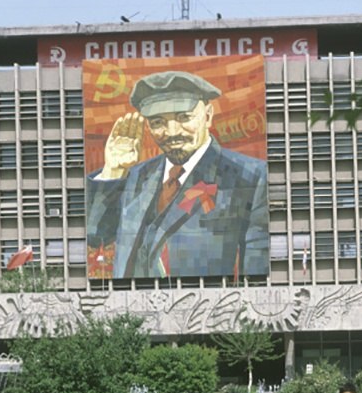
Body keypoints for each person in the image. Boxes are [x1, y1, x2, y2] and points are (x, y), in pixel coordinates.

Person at [86, 70, 269, 279]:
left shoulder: (251, 176)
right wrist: (113, 170)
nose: (172, 132)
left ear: (208, 115)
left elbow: (257, 273)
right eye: (158, 122)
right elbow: (95, 235)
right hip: (132, 309)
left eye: (184, 117)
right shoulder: (135, 176)